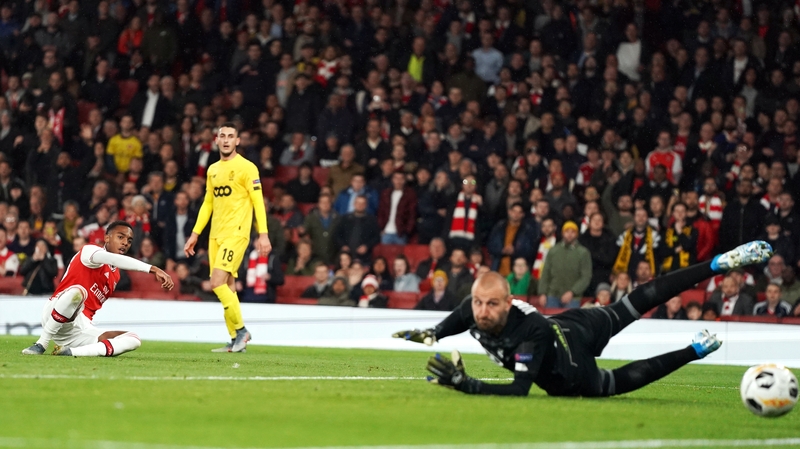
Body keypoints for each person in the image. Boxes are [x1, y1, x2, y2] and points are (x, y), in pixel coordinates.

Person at [393, 241, 773, 397]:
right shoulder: (473, 307)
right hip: (574, 321)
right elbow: (457, 320)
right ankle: (699, 329)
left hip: (571, 368)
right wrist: (434, 334)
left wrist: (465, 384)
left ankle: (714, 273)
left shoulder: (530, 334)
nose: (481, 311)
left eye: (491, 305)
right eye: (478, 303)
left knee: (620, 372)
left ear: (508, 303)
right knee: (631, 306)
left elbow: (518, 391)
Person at [21, 221, 174, 356]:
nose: (125, 243)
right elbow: (114, 259)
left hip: (80, 329)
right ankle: (41, 343)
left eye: (129, 240)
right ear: (107, 238)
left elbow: (115, 263)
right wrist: (153, 269)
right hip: (56, 311)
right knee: (78, 293)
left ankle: (71, 352)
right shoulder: (90, 252)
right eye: (120, 237)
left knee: (133, 339)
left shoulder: (116, 276)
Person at [183, 122, 272, 353]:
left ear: (237, 141)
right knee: (228, 287)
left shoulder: (247, 167)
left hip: (236, 233)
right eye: (222, 136)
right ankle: (235, 339)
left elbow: (257, 202)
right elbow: (208, 203)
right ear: (216, 140)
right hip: (215, 236)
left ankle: (242, 331)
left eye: (230, 136)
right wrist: (195, 234)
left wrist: (263, 234)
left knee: (216, 283)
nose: (225, 140)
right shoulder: (212, 170)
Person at [538, 221, 592, 309]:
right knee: (552, 321)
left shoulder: (583, 253)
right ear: (563, 233)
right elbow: (545, 273)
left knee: (569, 322)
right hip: (552, 295)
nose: (569, 234)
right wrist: (542, 293)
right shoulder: (553, 251)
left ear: (577, 234)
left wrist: (572, 292)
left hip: (573, 297)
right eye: (567, 231)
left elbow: (586, 276)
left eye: (572, 232)